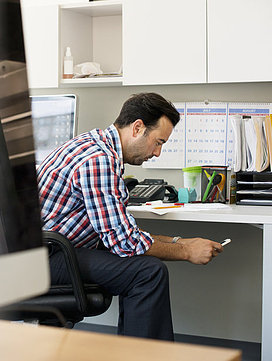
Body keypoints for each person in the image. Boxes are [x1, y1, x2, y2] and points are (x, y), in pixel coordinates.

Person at [37, 92, 223, 341]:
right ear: (138, 128)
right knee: (147, 273)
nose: (157, 153)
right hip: (45, 258)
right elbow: (125, 243)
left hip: (48, 250)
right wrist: (187, 252)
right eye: (158, 142)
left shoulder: (93, 144)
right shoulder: (99, 160)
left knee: (144, 266)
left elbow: (122, 234)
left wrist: (179, 242)